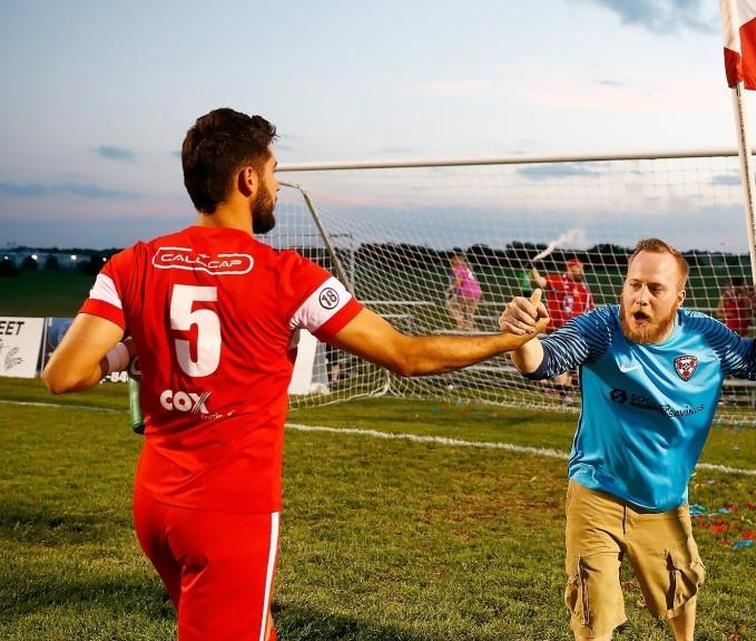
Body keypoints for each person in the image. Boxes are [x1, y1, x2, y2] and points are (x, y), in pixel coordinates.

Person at [41, 108, 543, 641]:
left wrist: (126, 353)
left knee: (249, 623)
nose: (278, 186)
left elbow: (63, 375)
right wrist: (506, 341)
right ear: (247, 179)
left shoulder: (134, 263)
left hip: (156, 505)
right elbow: (406, 356)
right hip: (230, 512)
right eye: (274, 171)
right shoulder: (288, 276)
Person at [500, 238, 756, 641]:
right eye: (634, 284)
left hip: (664, 498)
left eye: (655, 288)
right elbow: (543, 362)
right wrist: (522, 336)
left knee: (679, 589)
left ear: (679, 298)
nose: (641, 297)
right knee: (592, 607)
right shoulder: (600, 329)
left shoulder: (707, 338)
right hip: (597, 492)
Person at [530, 257, 595, 396]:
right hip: (558, 329)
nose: (581, 271)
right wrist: (533, 267)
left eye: (582, 268)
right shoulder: (558, 280)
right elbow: (541, 282)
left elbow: (590, 307)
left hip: (577, 331)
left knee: (572, 366)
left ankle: (564, 391)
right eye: (578, 268)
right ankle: (564, 396)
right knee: (561, 363)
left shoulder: (584, 287)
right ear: (570, 268)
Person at [446, 252, 483, 330]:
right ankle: (469, 329)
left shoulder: (458, 267)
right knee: (469, 314)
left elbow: (459, 280)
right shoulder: (467, 268)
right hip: (477, 293)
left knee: (451, 306)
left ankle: (461, 323)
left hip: (466, 291)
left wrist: (449, 289)